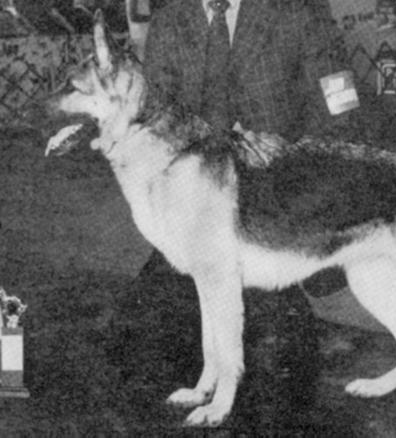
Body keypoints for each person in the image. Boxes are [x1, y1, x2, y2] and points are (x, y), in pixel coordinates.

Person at [114, 0, 365, 430]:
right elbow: (156, 113)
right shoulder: (171, 20)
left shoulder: (297, 12)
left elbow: (340, 107)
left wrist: (293, 156)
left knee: (278, 378)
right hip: (199, 203)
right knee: (136, 347)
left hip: (275, 196)